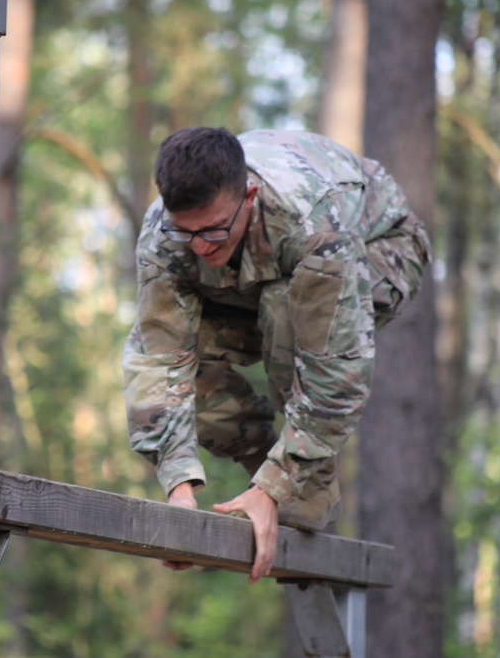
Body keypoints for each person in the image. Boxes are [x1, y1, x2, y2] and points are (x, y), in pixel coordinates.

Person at [122, 127, 431, 583]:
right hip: (258, 275)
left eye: (213, 229)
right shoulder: (164, 237)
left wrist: (278, 486)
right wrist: (178, 486)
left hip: (382, 249)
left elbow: (336, 381)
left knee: (284, 304)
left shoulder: (314, 222)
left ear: (248, 196)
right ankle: (265, 472)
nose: (201, 246)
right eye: (187, 232)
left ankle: (307, 490)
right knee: (160, 346)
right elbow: (159, 361)